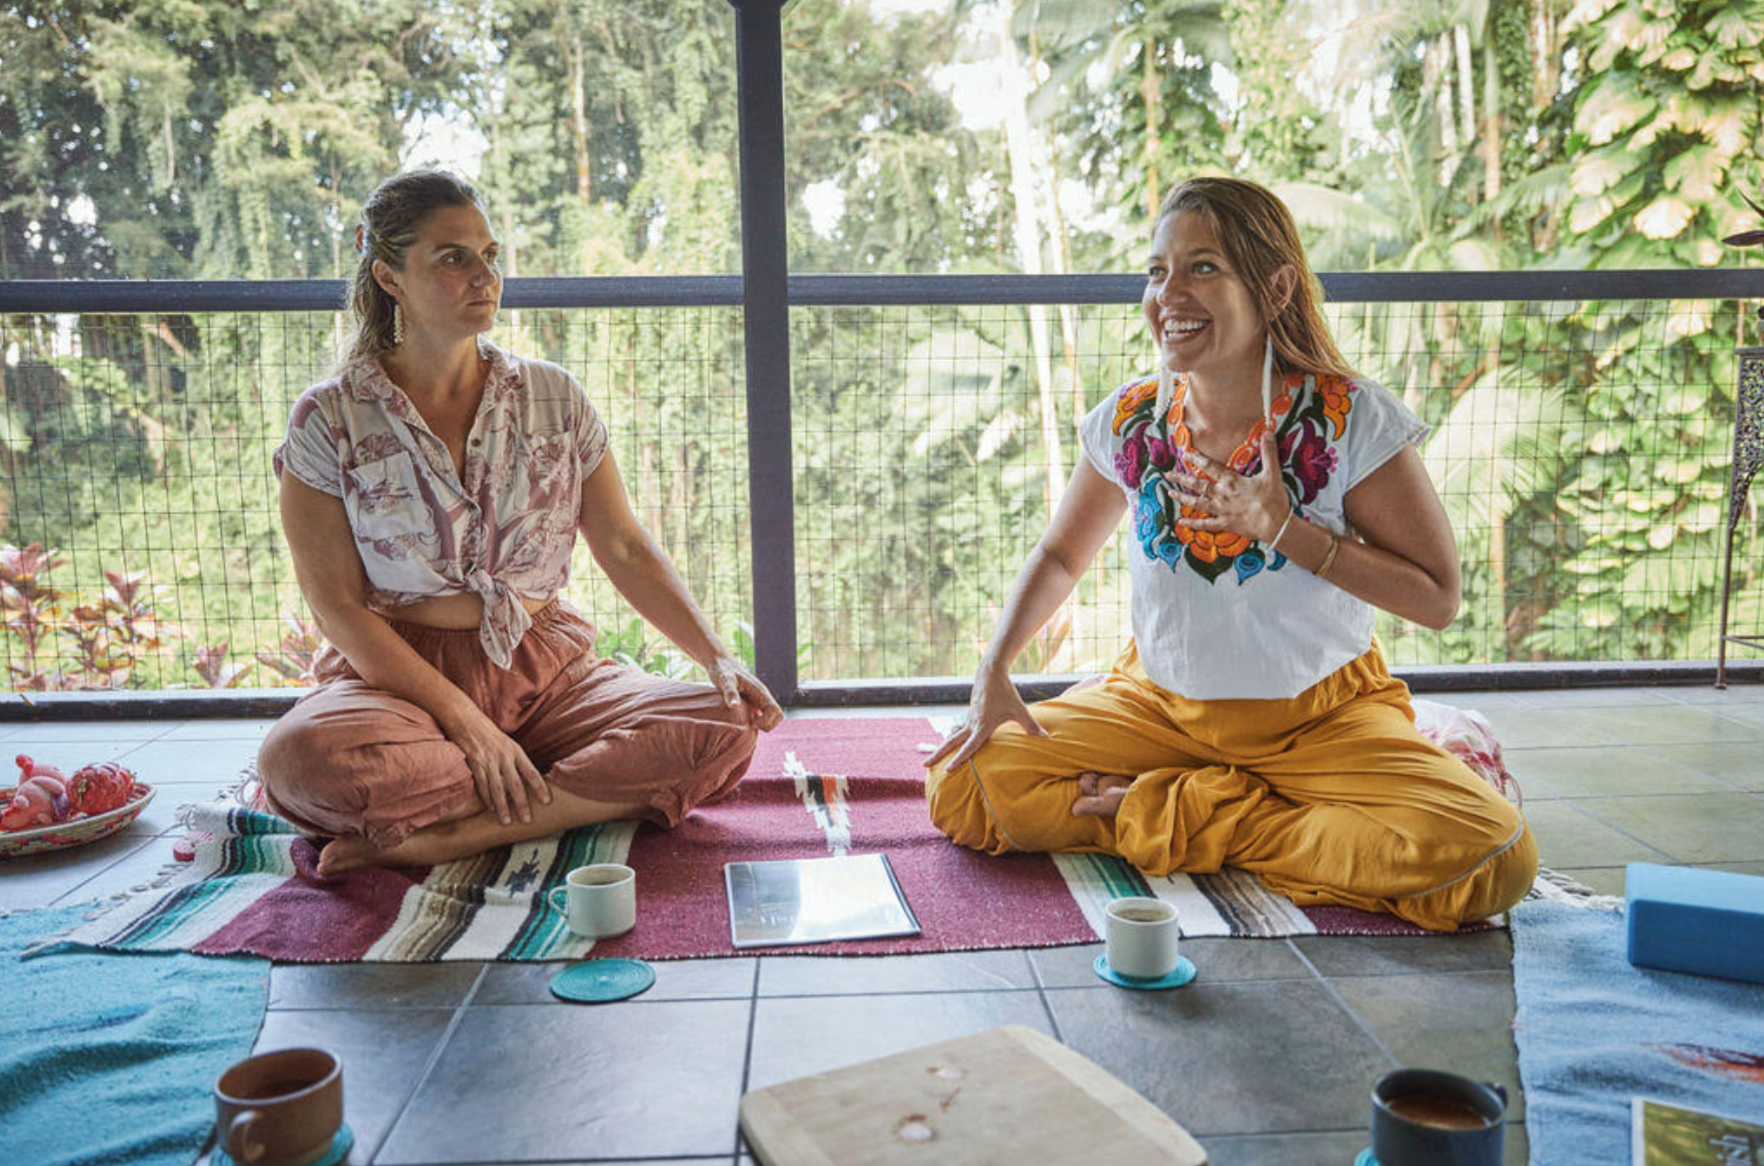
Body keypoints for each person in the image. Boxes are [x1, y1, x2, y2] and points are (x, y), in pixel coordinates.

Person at [924, 176, 1536, 932]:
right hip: (1158, 706)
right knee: (967, 783)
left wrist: (1287, 529)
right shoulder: (1130, 419)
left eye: (1203, 267)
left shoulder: (1348, 417)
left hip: (1321, 720)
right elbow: (1058, 555)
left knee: (1490, 854)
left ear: (1276, 287)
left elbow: (1437, 599)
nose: (1169, 294)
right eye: (1157, 271)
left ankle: (1191, 813)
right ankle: (1231, 808)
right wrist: (995, 667)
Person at [259, 170, 783, 877]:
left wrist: (717, 657)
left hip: (548, 674)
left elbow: (624, 546)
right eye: (453, 258)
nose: (486, 276)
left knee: (723, 724)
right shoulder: (328, 418)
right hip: (402, 684)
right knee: (300, 760)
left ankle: (458, 832)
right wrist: (470, 727)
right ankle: (566, 785)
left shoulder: (553, 396)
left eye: (489, 254)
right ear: (389, 275)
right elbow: (338, 606)